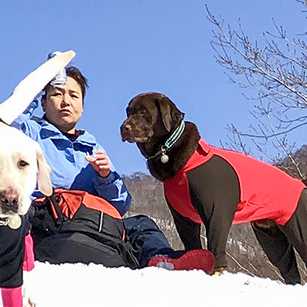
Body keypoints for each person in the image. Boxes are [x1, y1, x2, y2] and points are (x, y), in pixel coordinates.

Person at [17, 63, 207, 270]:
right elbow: (5, 119)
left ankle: (162, 261)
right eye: (57, 94)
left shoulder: (91, 146)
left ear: (82, 106)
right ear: (43, 103)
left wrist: (106, 177)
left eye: (74, 96)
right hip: (46, 219)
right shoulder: (27, 132)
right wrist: (39, 83)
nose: (66, 102)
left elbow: (120, 205)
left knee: (142, 224)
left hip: (87, 221)